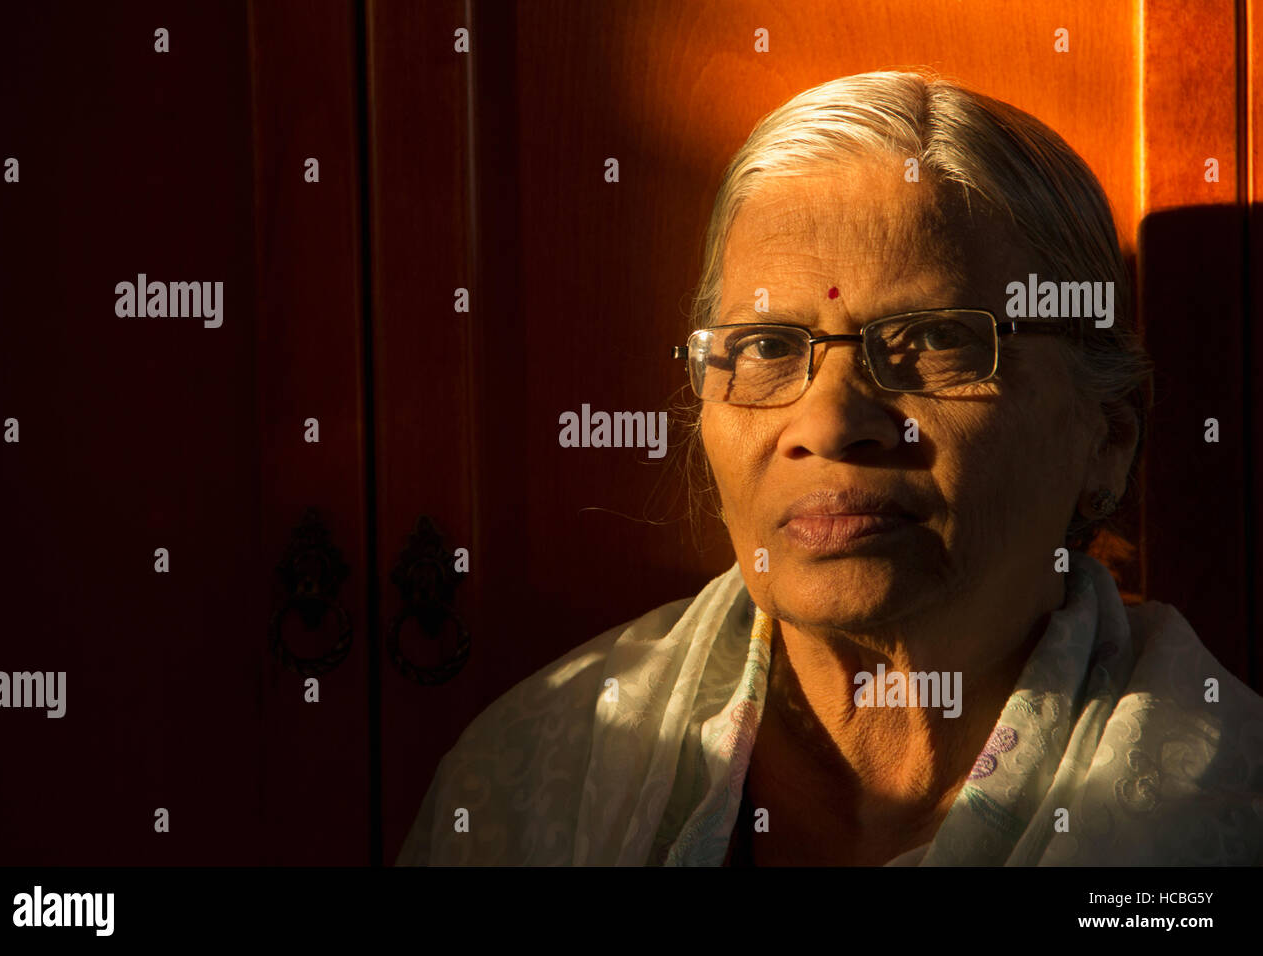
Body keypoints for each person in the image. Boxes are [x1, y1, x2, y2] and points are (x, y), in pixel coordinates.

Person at [397, 71, 1263, 866]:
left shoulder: (1224, 812)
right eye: (768, 347)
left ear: (1107, 438)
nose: (831, 423)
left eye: (932, 340)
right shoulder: (529, 780)